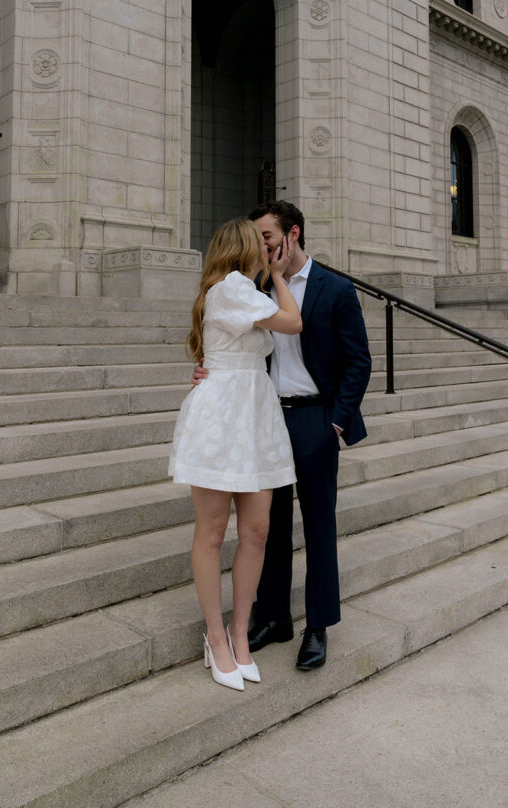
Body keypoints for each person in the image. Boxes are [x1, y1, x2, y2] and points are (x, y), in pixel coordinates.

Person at [193, 201, 372, 671]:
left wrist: (335, 421)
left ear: (293, 234)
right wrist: (210, 372)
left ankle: (318, 625)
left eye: (268, 236)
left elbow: (359, 361)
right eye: (257, 238)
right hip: (262, 416)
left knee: (319, 526)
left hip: (314, 418)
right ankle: (273, 617)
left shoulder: (335, 288)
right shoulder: (249, 286)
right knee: (263, 530)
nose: (262, 245)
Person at [169, 217, 302, 691]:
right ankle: (216, 638)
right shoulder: (231, 287)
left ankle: (239, 634)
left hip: (254, 414)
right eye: (260, 243)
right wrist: (282, 278)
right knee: (211, 532)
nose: (268, 250)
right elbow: (292, 322)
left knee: (257, 531)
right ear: (245, 247)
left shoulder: (242, 290)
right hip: (224, 418)